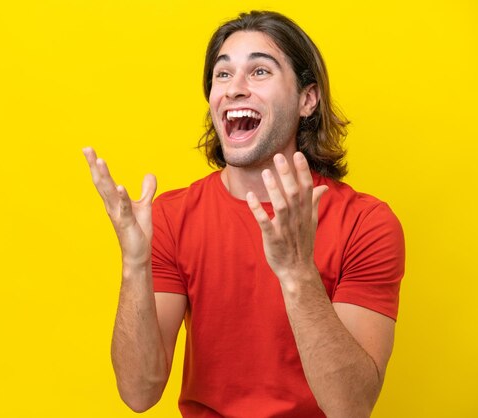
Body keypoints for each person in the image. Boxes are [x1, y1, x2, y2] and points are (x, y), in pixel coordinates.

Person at [83, 10, 404, 418]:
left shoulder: (366, 223)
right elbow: (138, 392)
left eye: (259, 72)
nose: (235, 89)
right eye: (223, 74)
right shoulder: (170, 218)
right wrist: (134, 265)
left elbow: (351, 406)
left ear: (307, 99)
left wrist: (297, 272)